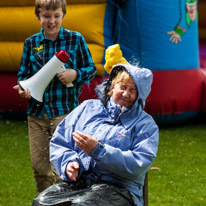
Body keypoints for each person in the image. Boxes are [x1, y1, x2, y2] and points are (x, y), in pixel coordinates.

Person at [32, 58, 159, 206]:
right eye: (122, 87)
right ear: (112, 86)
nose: (126, 94)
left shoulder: (145, 124)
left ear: (140, 96)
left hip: (120, 188)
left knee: (84, 205)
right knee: (41, 202)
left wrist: (99, 151)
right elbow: (60, 141)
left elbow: (138, 164)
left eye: (133, 90)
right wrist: (69, 162)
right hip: (80, 182)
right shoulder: (87, 108)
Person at [13, 0, 96, 193]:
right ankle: (47, 202)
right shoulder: (31, 43)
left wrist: (75, 75)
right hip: (37, 114)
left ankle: (66, 202)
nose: (52, 21)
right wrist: (23, 89)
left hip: (65, 113)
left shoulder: (75, 40)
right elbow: (23, 76)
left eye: (56, 16)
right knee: (40, 170)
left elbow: (91, 69)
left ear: (63, 15)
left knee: (64, 168)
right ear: (38, 16)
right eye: (46, 16)